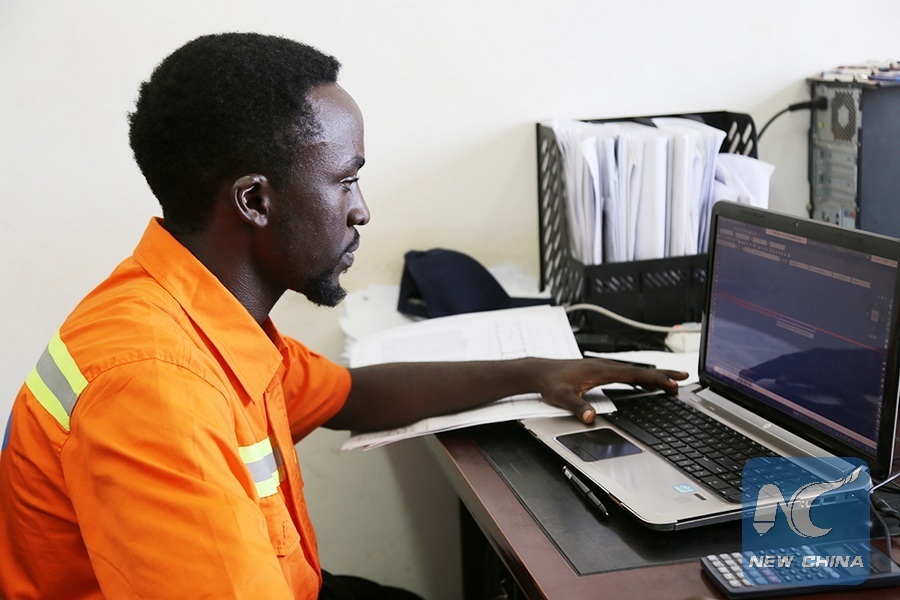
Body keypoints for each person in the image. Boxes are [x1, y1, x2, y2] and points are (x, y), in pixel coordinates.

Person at [0, 32, 687, 599]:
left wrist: (535, 372)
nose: (362, 210)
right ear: (254, 201)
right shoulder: (156, 389)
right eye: (345, 180)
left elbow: (350, 394)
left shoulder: (194, 310)